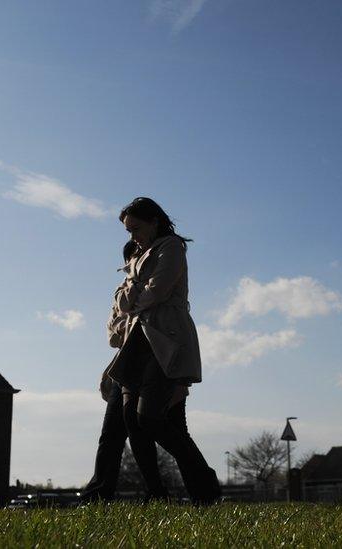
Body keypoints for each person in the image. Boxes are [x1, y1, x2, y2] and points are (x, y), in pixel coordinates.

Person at [106, 197, 221, 504]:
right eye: (128, 231)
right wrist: (132, 297)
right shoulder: (135, 256)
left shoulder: (171, 248)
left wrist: (131, 298)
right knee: (132, 418)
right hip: (136, 343)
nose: (132, 236)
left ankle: (204, 479)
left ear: (154, 221)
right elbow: (121, 303)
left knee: (151, 418)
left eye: (136, 228)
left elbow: (158, 290)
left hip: (164, 340)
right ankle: (157, 493)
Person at [79, 241, 167, 502]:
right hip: (126, 364)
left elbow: (145, 315)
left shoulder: (153, 287)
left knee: (146, 430)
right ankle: (97, 494)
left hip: (150, 361)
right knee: (111, 435)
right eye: (132, 259)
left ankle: (158, 491)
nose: (135, 264)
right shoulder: (122, 291)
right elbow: (114, 334)